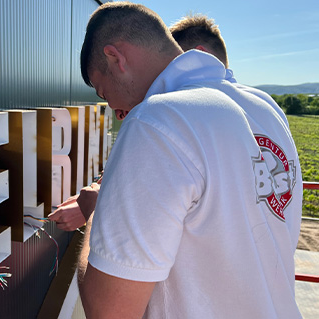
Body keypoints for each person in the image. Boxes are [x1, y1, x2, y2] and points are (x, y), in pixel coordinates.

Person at [76, 2, 302, 318]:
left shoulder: (155, 122)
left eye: (103, 91)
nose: (113, 107)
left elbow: (109, 312)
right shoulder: (266, 109)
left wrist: (97, 214)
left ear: (116, 58)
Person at [49, 13, 290, 232]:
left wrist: (99, 214)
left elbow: (117, 275)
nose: (117, 111)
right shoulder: (267, 108)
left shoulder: (163, 119)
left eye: (172, 67)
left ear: (199, 55)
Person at [169, 13, 289, 127]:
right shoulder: (268, 104)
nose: (168, 74)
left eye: (176, 63)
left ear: (200, 55)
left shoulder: (190, 109)